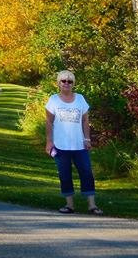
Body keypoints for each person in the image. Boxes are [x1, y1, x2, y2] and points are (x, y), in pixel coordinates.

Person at [45, 69, 103, 215]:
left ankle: (92, 205)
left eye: (69, 81)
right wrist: (49, 142)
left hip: (79, 145)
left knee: (87, 173)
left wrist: (87, 139)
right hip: (60, 145)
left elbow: (85, 121)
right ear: (58, 83)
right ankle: (69, 205)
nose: (66, 83)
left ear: (73, 84)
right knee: (65, 175)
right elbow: (49, 122)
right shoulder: (53, 100)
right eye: (63, 81)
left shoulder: (80, 99)